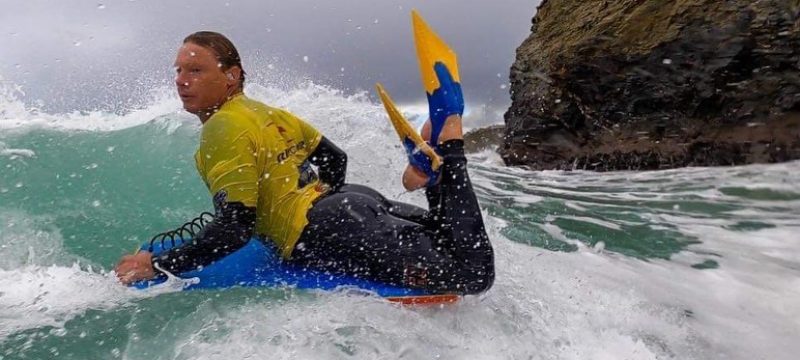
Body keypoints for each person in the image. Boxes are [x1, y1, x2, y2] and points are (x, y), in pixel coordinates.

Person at [115, 31, 494, 295]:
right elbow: (334, 158)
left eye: (195, 70)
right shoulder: (264, 111)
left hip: (324, 229)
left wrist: (161, 264)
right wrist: (323, 201)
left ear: (231, 76)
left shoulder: (221, 129)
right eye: (178, 70)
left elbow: (235, 228)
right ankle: (430, 175)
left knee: (471, 272)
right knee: (448, 236)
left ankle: (449, 147)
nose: (182, 80)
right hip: (352, 202)